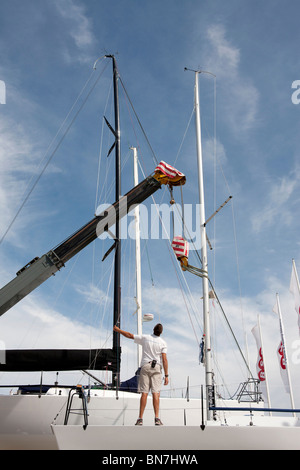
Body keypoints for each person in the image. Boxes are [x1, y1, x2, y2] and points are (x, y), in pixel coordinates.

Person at [113, 323, 169, 426]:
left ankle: (140, 419)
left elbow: (130, 335)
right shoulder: (163, 343)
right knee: (156, 393)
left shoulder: (145, 338)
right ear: (161, 332)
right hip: (156, 368)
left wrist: (118, 330)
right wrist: (166, 376)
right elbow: (164, 360)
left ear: (153, 329)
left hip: (145, 367)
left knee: (144, 393)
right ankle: (157, 418)